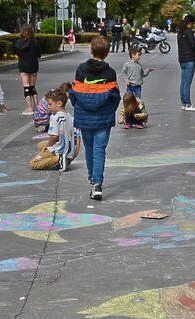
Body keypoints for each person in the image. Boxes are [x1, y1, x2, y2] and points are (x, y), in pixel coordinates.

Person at [70, 36, 119, 200]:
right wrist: (110, 110)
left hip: (84, 116)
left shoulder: (81, 70)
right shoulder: (110, 73)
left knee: (89, 149)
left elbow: (74, 92)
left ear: (91, 50)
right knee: (99, 150)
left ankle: (92, 178)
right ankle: (97, 184)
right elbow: (115, 96)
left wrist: (78, 106)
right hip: (103, 117)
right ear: (107, 53)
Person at [30, 86, 74, 171]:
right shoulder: (69, 117)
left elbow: (54, 136)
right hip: (69, 149)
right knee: (40, 145)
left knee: (33, 163)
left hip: (59, 149)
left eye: (50, 104)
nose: (48, 107)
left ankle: (58, 159)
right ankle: (63, 158)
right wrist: (74, 153)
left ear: (59, 103)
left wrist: (47, 146)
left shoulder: (55, 117)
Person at [16, 24, 41, 115]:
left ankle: (29, 108)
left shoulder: (19, 42)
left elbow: (18, 53)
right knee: (33, 87)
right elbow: (39, 53)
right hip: (33, 65)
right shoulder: (34, 41)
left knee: (26, 87)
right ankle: (36, 106)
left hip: (23, 65)